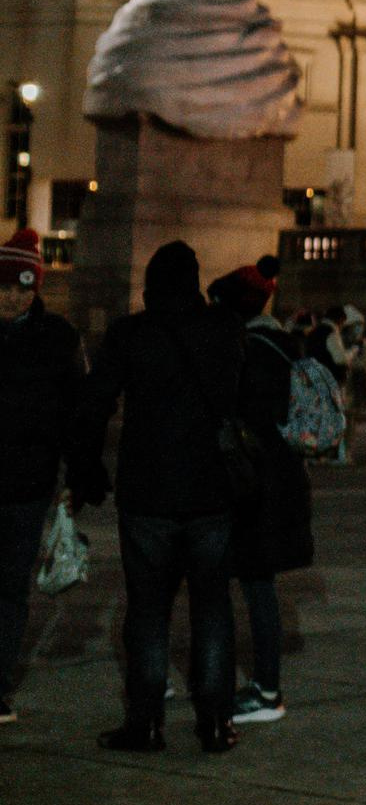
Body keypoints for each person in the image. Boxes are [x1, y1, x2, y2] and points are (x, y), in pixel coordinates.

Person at [67, 241, 245, 754]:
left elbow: (95, 405)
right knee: (212, 607)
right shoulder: (224, 329)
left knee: (147, 609)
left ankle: (145, 723)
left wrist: (86, 470)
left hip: (148, 491)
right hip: (209, 490)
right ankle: (216, 722)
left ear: (149, 286)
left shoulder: (129, 334)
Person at [207, 260, 314, 728]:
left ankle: (267, 690)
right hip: (282, 479)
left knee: (254, 586)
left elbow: (237, 415)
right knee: (259, 584)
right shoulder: (283, 344)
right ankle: (264, 686)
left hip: (255, 483)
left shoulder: (248, 350)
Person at [1, 228, 84, 726]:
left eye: (21, 288)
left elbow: (76, 413)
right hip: (26, 480)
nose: (12, 297)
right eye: (4, 287)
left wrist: (74, 478)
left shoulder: (58, 338)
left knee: (11, 587)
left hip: (28, 486)